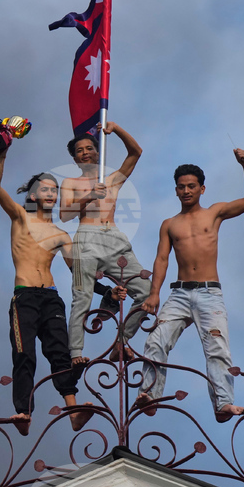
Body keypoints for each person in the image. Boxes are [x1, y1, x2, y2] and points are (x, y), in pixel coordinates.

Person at [134, 149, 244, 423]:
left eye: (192, 186)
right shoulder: (170, 224)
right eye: (181, 187)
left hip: (208, 292)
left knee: (217, 347)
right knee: (156, 340)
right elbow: (162, 258)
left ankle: (224, 403)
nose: (186, 190)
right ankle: (149, 395)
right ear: (176, 191)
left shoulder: (214, 213)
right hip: (178, 293)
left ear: (202, 189)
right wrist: (154, 293)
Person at [0, 146, 94, 435]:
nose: (51, 194)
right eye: (45, 189)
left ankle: (73, 413)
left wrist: (108, 290)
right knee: (25, 354)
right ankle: (23, 413)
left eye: (54, 190)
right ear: (33, 195)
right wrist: (3, 153)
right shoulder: (21, 218)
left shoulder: (60, 234)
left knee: (60, 353)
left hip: (50, 297)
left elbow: (80, 272)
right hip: (25, 297)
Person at [61, 122, 151, 367]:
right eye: (80, 150)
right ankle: (76, 352)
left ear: (98, 152)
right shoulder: (71, 183)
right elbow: (64, 214)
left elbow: (136, 153)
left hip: (113, 238)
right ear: (74, 157)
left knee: (146, 292)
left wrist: (117, 128)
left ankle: (121, 341)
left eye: (90, 148)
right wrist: (90, 195)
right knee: (82, 297)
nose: (86, 152)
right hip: (86, 238)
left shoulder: (112, 180)